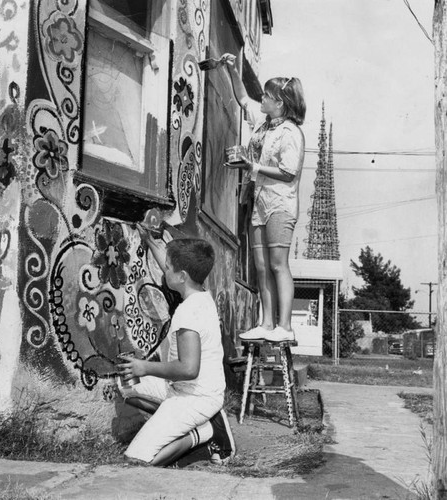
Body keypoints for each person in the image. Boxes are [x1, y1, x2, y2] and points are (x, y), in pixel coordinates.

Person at [117, 233, 236, 466]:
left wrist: (144, 367)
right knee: (126, 386)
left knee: (136, 461)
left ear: (181, 276)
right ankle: (192, 425)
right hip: (187, 389)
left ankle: (201, 434)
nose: (164, 271)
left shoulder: (188, 312)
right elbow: (175, 268)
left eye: (168, 268)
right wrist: (150, 241)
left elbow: (189, 368)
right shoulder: (201, 295)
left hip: (195, 397)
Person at [215, 53, 306, 343]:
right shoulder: (264, 125)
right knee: (262, 266)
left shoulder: (290, 132)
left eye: (267, 97)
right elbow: (243, 100)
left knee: (278, 264)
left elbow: (288, 172)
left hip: (280, 204)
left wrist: (251, 167)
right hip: (258, 201)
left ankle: (284, 326)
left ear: (280, 103)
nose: (262, 100)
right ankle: (266, 324)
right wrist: (231, 69)